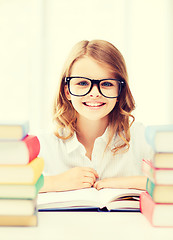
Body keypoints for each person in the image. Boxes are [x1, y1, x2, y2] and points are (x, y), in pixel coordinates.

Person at [38, 39, 153, 192]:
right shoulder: (47, 146)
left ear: (119, 91)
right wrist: (54, 183)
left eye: (106, 84)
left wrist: (126, 183)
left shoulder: (141, 139)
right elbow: (6, 186)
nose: (94, 93)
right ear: (67, 91)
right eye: (82, 83)